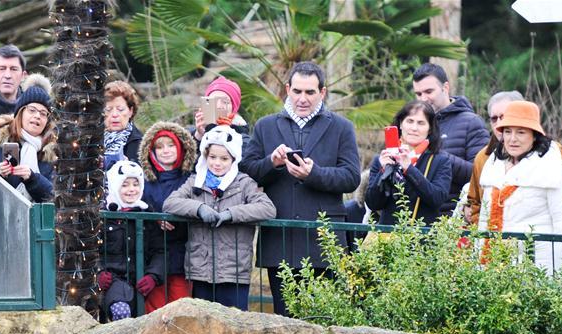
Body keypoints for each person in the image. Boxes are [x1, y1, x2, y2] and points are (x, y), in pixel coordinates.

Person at [241, 61, 360, 316]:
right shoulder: (265, 126)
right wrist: (271, 163)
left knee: (323, 320)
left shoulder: (342, 127)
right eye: (297, 91)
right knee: (284, 322)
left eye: (310, 92)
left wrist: (313, 174)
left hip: (323, 242)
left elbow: (351, 178)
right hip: (280, 240)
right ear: (287, 89)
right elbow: (248, 171)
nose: (302, 98)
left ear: (322, 93)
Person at [164, 125, 276, 310]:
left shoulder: (244, 183)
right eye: (212, 157)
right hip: (201, 269)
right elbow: (171, 202)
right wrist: (199, 209)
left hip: (234, 271)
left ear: (233, 159)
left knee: (235, 325)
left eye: (224, 159)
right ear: (205, 156)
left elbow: (267, 208)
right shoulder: (195, 181)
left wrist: (232, 214)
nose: (217, 163)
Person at [477, 101, 562, 274]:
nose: (512, 138)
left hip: (537, 269)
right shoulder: (492, 166)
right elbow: (483, 223)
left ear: (535, 135)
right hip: (494, 267)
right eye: (507, 131)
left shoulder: (554, 169)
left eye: (521, 132)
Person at [467, 90, 562, 225]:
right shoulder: (485, 158)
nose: (500, 122)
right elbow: (475, 204)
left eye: (504, 116)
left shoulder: (553, 154)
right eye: (494, 118)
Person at [411, 63, 489, 216]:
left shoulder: (471, 123)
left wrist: (435, 155)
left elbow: (480, 176)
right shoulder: (412, 123)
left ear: (445, 88)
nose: (423, 99)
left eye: (429, 91)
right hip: (412, 218)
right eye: (418, 94)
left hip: (452, 220)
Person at [138, 121, 199, 312]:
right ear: (151, 151)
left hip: (183, 255)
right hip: (153, 256)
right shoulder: (144, 181)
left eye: (171, 145)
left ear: (180, 147)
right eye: (159, 147)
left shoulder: (190, 178)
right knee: (153, 310)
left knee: (182, 308)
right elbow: (137, 206)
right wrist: (155, 218)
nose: (165, 151)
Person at [364, 100, 452, 225]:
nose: (414, 128)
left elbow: (437, 199)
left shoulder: (441, 161)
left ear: (430, 129)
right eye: (410, 121)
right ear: (400, 124)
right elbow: (372, 203)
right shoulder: (383, 158)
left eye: (421, 123)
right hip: (387, 238)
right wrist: (383, 171)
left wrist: (409, 169)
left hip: (421, 239)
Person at [97, 160, 165, 321]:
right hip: (113, 279)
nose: (131, 189)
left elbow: (160, 250)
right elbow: (90, 249)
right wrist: (97, 273)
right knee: (121, 311)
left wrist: (153, 276)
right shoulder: (104, 214)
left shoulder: (147, 213)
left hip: (139, 282)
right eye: (125, 185)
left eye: (136, 184)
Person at [0, 74, 55, 203]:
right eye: (32, 110)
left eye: (43, 113)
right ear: (20, 113)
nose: (37, 116)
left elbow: (57, 197)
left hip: (39, 221)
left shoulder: (53, 152)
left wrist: (33, 178)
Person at [192, 76, 250, 145]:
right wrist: (198, 136)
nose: (219, 106)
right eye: (213, 101)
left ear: (233, 108)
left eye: (225, 102)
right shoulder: (197, 131)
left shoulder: (243, 136)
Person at [103, 81, 143, 170]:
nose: (114, 114)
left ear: (130, 111)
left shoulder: (142, 144)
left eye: (120, 109)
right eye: (108, 109)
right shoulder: (91, 141)